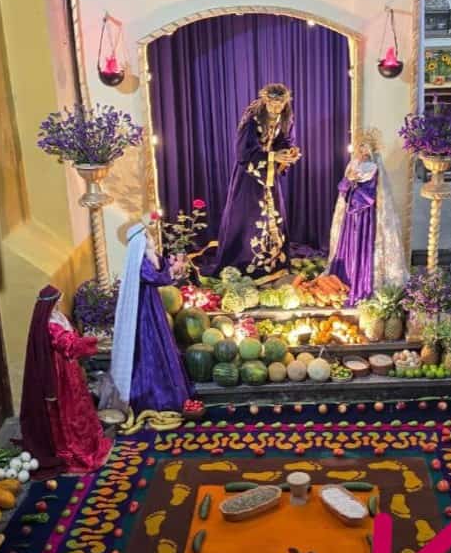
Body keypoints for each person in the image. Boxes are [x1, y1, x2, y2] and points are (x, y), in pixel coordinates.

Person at [20, 285, 112, 475]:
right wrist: (94, 342)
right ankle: (73, 450)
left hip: (69, 369)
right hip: (59, 374)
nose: (60, 304)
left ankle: (89, 442)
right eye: (58, 301)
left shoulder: (57, 318)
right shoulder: (51, 325)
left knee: (79, 405)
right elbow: (68, 346)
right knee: (69, 410)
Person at [212, 83, 301, 278]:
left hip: (270, 176)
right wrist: (273, 156)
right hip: (249, 176)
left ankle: (273, 260)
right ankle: (245, 262)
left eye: (281, 105)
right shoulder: (252, 120)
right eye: (273, 105)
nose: (277, 109)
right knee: (249, 217)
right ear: (265, 101)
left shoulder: (285, 118)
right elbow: (243, 153)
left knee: (273, 215)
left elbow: (285, 141)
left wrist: (289, 152)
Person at [106, 221, 192, 412]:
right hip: (144, 310)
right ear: (142, 241)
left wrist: (174, 263)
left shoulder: (148, 257)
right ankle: (155, 397)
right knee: (150, 345)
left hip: (152, 305)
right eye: (148, 236)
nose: (151, 239)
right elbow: (156, 277)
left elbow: (160, 265)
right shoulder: (140, 262)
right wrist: (172, 271)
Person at [326, 129, 408, 305]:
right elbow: (342, 188)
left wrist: (354, 186)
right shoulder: (353, 165)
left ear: (371, 150)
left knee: (362, 245)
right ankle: (344, 277)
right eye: (360, 147)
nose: (362, 151)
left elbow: (369, 195)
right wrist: (349, 181)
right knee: (348, 244)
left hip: (364, 216)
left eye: (365, 148)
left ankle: (361, 280)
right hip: (350, 216)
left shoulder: (373, 168)